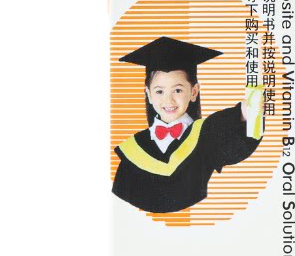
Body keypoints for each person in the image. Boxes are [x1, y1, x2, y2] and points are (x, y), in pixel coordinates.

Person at [112, 36, 265, 213]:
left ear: (194, 92)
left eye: (177, 90)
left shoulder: (205, 134)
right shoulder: (134, 148)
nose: (168, 100)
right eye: (159, 91)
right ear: (148, 94)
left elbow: (231, 141)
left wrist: (245, 115)